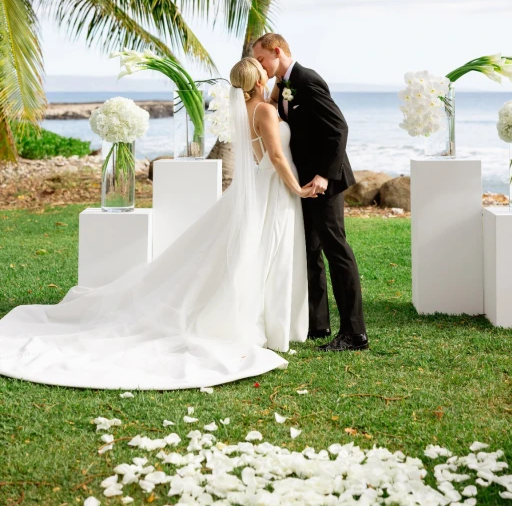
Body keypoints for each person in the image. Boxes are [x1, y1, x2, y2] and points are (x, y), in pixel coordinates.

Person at [0, 58, 310, 390]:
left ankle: (271, 318)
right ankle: (274, 322)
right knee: (268, 251)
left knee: (254, 250)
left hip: (258, 187)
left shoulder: (246, 107)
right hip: (273, 186)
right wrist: (297, 188)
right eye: (263, 71)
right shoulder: (263, 110)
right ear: (259, 78)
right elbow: (276, 157)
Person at [253, 33, 368, 352]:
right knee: (310, 250)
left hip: (324, 182)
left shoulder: (307, 79)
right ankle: (318, 323)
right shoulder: (285, 84)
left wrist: (323, 177)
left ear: (277, 52)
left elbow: (338, 129)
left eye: (261, 58)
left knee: (336, 250)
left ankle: (354, 333)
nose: (259, 65)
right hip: (304, 183)